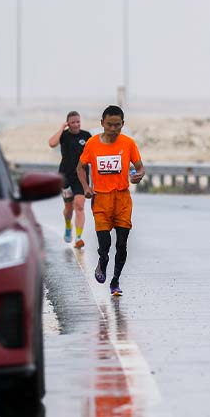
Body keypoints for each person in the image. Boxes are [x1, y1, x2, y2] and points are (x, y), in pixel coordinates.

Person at [76, 105, 145, 297]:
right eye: (109, 125)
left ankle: (115, 281)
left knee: (122, 244)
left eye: (117, 125)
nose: (113, 129)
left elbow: (140, 167)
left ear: (123, 124)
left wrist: (138, 175)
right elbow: (80, 168)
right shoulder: (92, 144)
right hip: (101, 199)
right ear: (102, 123)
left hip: (122, 199)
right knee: (104, 244)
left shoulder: (128, 143)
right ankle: (103, 260)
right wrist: (86, 188)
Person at [48, 111, 92, 248]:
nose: (76, 124)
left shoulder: (86, 136)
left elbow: (93, 155)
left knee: (79, 205)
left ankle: (78, 237)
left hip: (81, 176)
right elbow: (51, 143)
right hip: (65, 176)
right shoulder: (64, 135)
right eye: (73, 122)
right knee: (68, 208)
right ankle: (68, 225)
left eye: (78, 121)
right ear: (68, 123)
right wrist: (62, 128)